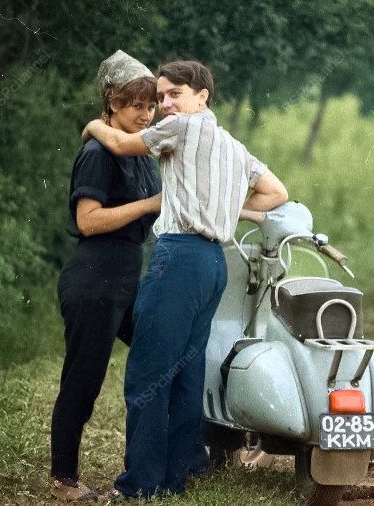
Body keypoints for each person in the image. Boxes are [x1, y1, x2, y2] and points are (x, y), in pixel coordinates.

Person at [81, 59, 288, 501]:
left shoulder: (183, 128)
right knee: (187, 371)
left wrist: (91, 127)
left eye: (173, 93)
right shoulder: (234, 146)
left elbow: (120, 143)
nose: (165, 104)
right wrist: (224, 205)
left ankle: (139, 485)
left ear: (202, 96)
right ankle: (177, 477)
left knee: (149, 372)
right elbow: (276, 191)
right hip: (213, 263)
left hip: (178, 259)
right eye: (159, 98)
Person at [49, 50, 162, 502]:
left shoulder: (140, 153)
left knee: (160, 352)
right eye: (136, 104)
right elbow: (90, 220)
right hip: (93, 279)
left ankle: (177, 458)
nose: (146, 113)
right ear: (112, 102)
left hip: (126, 280)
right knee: (83, 379)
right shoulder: (96, 153)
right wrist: (151, 205)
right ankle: (63, 480)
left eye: (151, 105)